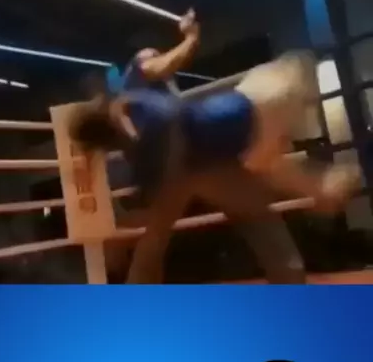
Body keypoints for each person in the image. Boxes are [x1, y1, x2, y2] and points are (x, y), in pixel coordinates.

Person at [69, 52, 360, 285]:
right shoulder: (140, 115)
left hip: (228, 147)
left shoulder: (139, 115)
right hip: (231, 143)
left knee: (162, 236)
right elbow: (168, 129)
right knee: (257, 219)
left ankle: (322, 194)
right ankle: (322, 196)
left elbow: (162, 91)